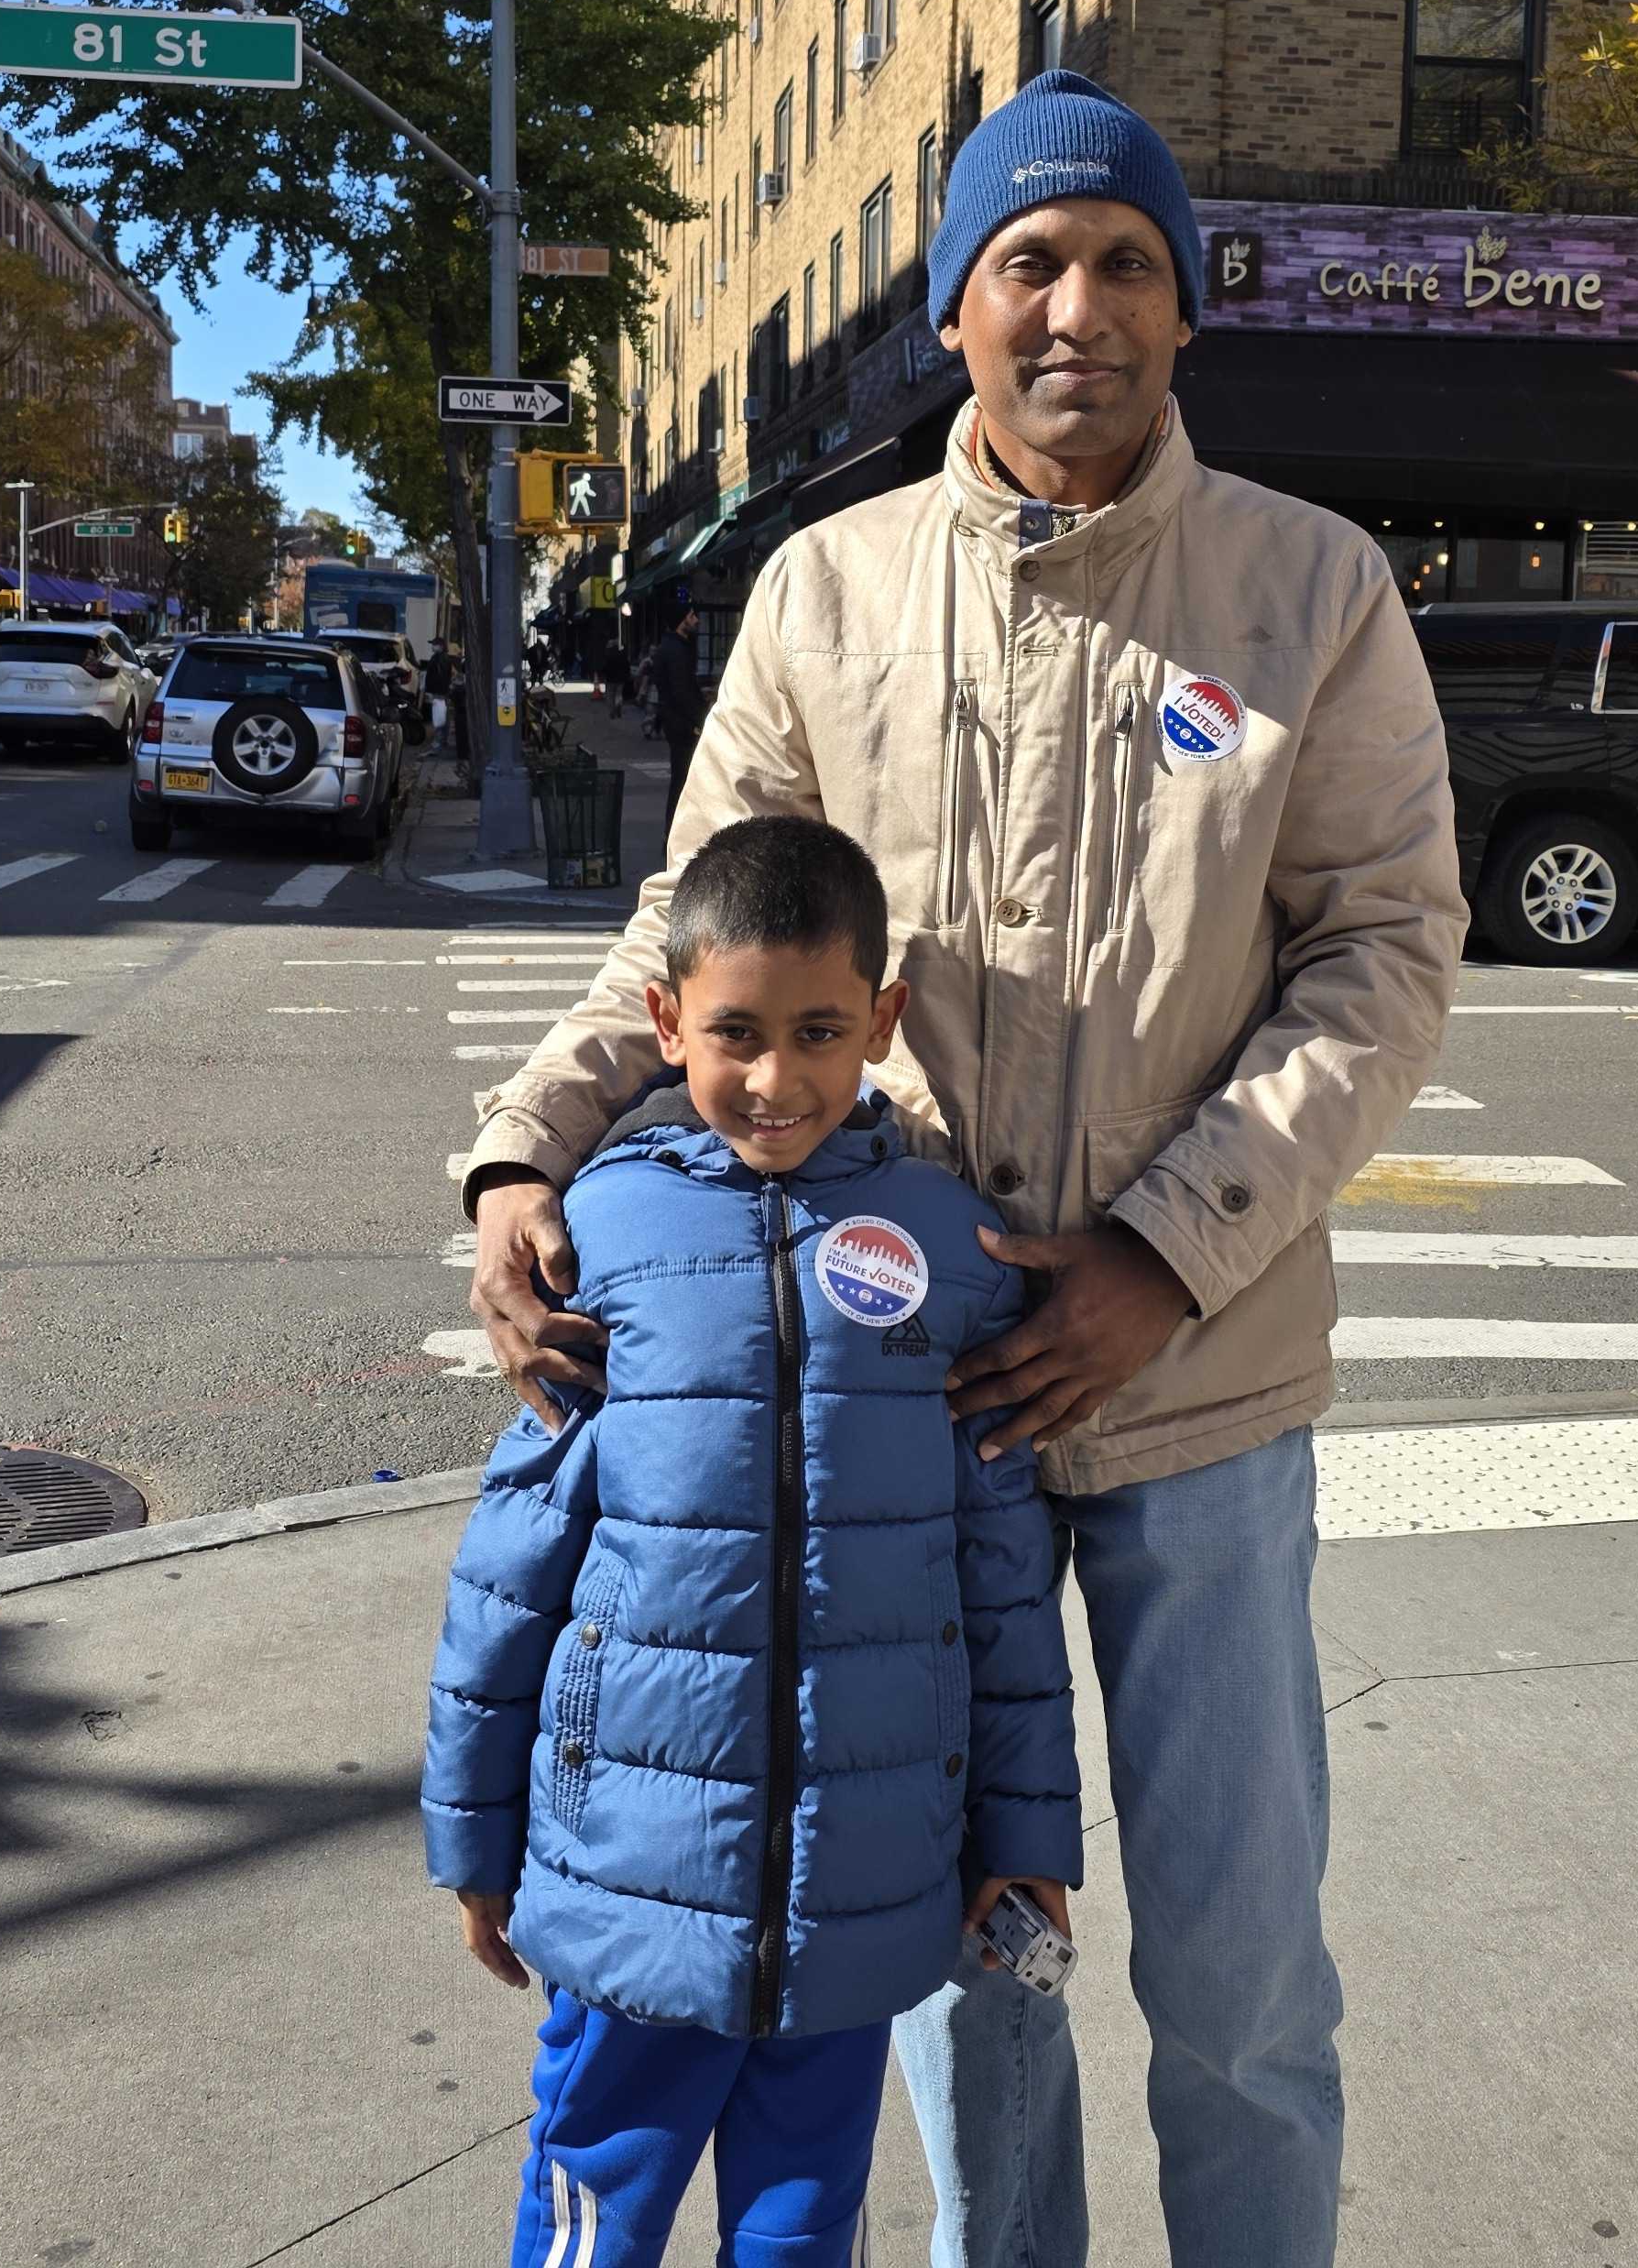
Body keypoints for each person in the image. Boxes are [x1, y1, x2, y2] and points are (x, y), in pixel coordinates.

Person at [459, 70, 1464, 2268]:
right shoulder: (821, 594)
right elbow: (687, 928)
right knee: (963, 1971)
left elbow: (1383, 959)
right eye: (1028, 258)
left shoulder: (1310, 589)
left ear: (1185, 310)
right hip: (901, 1409)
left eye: (1124, 259)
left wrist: (1158, 1254)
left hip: (1190, 1397)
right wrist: (518, 1149)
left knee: (1233, 1967)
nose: (1076, 302)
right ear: (957, 310)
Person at [425, 816, 1084, 2268]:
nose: (776, 1076)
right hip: (627, 1883)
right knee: (600, 2204)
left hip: (862, 1893)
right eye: (734, 1031)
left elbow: (1001, 1586)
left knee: (804, 2225)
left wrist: (1025, 1835)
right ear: (666, 1021)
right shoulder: (600, 1239)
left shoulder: (943, 1250)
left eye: (821, 1030)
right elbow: (512, 1567)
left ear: (884, 1023)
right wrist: (476, 1838)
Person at [646, 608, 706, 802]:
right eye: (691, 616)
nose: (696, 620)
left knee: (683, 780)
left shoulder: (673, 646)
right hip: (682, 724)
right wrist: (699, 721)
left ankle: (674, 827)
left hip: (677, 721)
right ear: (681, 621)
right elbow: (681, 691)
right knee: (683, 781)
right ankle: (674, 828)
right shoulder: (676, 650)